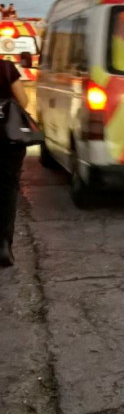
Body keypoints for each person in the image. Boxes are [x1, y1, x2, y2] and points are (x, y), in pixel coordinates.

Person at [0, 58, 29, 266]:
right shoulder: (6, 68)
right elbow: (23, 101)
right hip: (7, 139)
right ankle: (3, 245)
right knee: (8, 189)